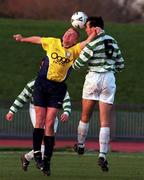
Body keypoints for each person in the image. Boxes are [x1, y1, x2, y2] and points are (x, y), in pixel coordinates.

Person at [13, 27, 96, 176]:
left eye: (71, 35)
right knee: (40, 121)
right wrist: (23, 38)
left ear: (74, 40)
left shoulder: (75, 50)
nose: (67, 35)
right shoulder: (53, 42)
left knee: (49, 124)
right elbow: (38, 39)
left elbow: (87, 42)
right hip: (41, 84)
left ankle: (47, 161)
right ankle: (37, 155)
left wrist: (94, 33)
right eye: (66, 33)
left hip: (57, 88)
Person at [72, 17, 124, 172]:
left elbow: (77, 65)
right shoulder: (113, 41)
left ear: (94, 28)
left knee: (85, 116)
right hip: (109, 79)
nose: (86, 31)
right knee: (105, 122)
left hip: (93, 78)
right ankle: (102, 155)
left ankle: (81, 145)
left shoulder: (92, 42)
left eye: (87, 28)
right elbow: (121, 65)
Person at [5, 77, 71, 171]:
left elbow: (66, 98)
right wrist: (12, 111)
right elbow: (22, 97)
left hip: (51, 109)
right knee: (44, 136)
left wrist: (66, 112)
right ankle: (41, 163)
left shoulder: (59, 82)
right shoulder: (34, 83)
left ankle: (27, 157)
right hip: (36, 108)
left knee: (49, 142)